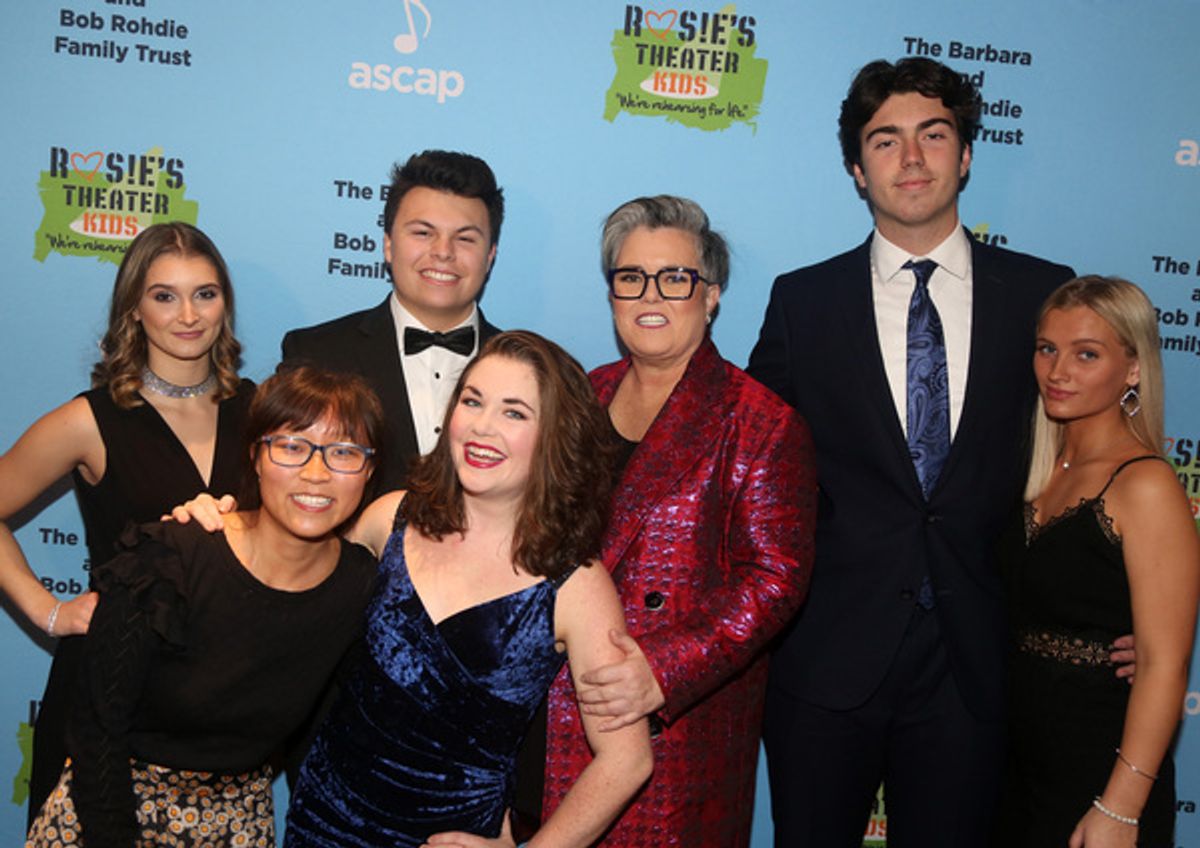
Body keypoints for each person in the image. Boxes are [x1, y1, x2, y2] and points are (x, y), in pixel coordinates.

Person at [746, 57, 1077, 845]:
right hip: (827, 663)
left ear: (965, 155)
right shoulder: (804, 301)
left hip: (978, 662)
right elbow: (752, 464)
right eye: (885, 141)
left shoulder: (1044, 292)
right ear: (858, 170)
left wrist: (1116, 609)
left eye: (934, 135)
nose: (913, 157)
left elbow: (1088, 460)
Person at [282, 331, 652, 847]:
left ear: (555, 436)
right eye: (472, 401)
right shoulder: (389, 518)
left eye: (514, 412)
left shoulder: (576, 585)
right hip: (324, 821)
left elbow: (627, 757)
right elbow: (288, 592)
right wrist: (224, 524)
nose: (481, 427)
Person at [542, 196, 816, 847]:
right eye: (630, 277)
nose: (650, 294)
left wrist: (664, 669)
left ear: (711, 293)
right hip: (550, 711)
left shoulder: (761, 421)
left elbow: (775, 580)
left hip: (672, 729)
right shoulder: (581, 394)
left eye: (675, 277)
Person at [25, 365, 384, 845]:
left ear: (369, 470)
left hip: (238, 825)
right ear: (255, 457)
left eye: (343, 452)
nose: (316, 474)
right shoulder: (169, 558)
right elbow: (96, 733)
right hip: (109, 814)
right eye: (292, 447)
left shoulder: (359, 589)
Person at [0, 222, 255, 825]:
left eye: (206, 293)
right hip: (108, 700)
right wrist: (48, 611)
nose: (188, 314)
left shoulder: (262, 412)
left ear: (225, 303)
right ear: (134, 310)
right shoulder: (89, 421)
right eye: (164, 295)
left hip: (222, 702)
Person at [995, 276, 1199, 847]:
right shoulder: (1034, 468)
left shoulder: (1146, 485)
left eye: (1087, 354)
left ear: (1133, 369)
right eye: (1047, 349)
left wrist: (1122, 808)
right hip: (1011, 761)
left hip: (1097, 764)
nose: (1058, 372)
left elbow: (1163, 665)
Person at [282, 150, 504, 493]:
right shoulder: (316, 354)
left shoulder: (530, 372)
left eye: (464, 238)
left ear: (490, 256)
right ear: (388, 245)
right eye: (423, 233)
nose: (443, 252)